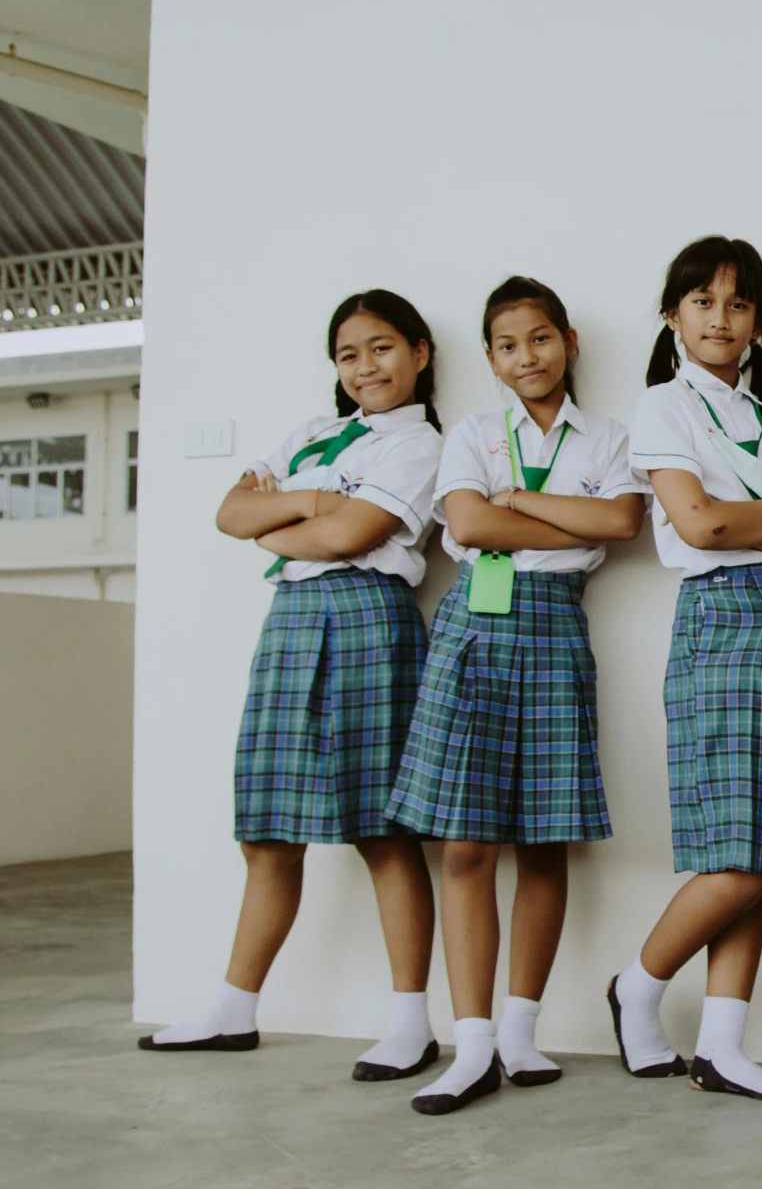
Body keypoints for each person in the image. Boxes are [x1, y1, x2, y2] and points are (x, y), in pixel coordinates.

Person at [140, 290, 446, 1087]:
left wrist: (285, 517)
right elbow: (229, 512)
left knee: (382, 828)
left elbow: (349, 537)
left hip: (369, 621)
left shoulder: (419, 446)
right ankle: (234, 1008)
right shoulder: (310, 435)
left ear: (419, 351)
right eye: (348, 355)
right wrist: (314, 500)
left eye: (381, 348)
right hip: (292, 621)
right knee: (266, 826)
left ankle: (410, 1022)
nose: (364, 368)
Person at [386, 278, 642, 1115]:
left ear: (568, 339)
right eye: (506, 344)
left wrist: (519, 500)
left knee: (544, 840)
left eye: (539, 338)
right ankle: (472, 1046)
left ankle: (523, 1033)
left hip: (557, 628)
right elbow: (469, 528)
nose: (525, 356)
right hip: (471, 627)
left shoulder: (607, 435)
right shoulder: (469, 432)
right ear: (490, 358)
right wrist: (564, 516)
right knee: (465, 845)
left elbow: (621, 525)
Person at [606, 236, 762, 1103]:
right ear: (674, 314)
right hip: (724, 624)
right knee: (737, 849)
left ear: (760, 322)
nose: (720, 317)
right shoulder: (662, 408)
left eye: (738, 304)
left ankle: (723, 1044)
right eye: (702, 301)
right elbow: (697, 526)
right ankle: (638, 983)